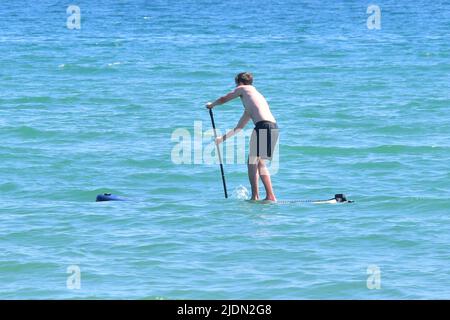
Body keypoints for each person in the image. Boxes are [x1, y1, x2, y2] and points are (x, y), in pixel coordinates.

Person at [206, 72, 279, 201]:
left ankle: (255, 196)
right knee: (260, 163)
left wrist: (212, 105)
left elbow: (224, 99)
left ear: (239, 82)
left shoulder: (244, 88)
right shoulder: (254, 101)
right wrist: (221, 140)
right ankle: (270, 196)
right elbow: (238, 128)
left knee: (252, 162)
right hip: (273, 127)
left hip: (262, 126)